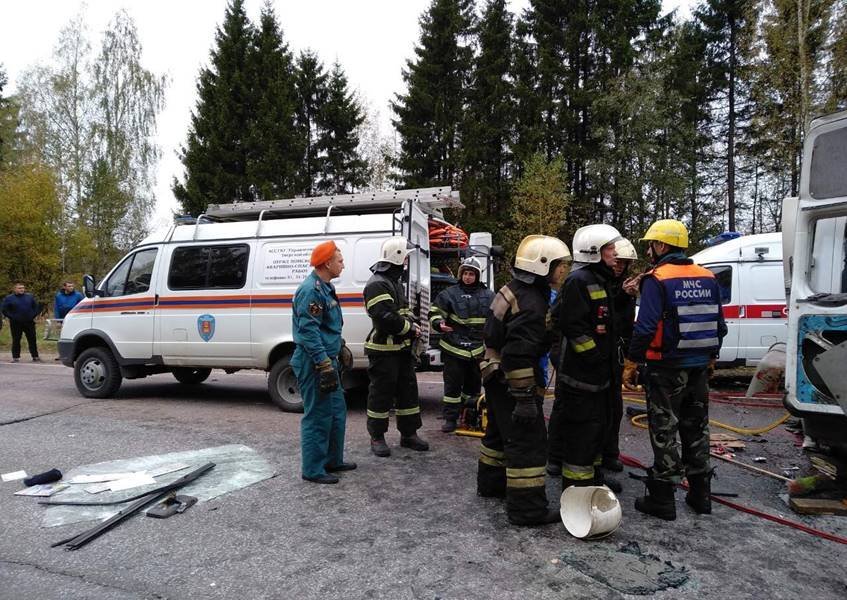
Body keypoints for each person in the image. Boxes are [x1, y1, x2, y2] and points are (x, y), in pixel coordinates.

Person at [624, 219, 727, 520]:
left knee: (664, 428)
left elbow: (645, 326)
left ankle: (663, 499)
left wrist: (632, 361)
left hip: (666, 368)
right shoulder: (707, 277)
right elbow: (719, 325)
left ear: (662, 245)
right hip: (698, 367)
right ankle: (700, 495)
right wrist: (710, 357)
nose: (649, 251)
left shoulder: (657, 279)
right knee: (697, 428)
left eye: (651, 244)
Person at [477, 235, 571, 526]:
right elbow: (519, 355)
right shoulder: (531, 303)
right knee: (527, 442)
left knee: (497, 433)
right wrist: (525, 399)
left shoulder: (515, 288)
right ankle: (527, 509)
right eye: (559, 265)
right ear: (543, 266)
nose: (563, 271)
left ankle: (492, 485)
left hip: (493, 374)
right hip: (512, 381)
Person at [548, 224, 623, 493]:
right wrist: (595, 358)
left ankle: (594, 476)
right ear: (594, 252)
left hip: (599, 374)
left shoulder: (601, 279)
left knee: (597, 428)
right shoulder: (579, 281)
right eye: (610, 248)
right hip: (582, 375)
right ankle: (578, 488)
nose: (615, 253)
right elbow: (574, 327)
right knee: (581, 432)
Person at [291, 241, 355, 484]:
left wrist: (339, 346)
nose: (343, 264)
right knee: (318, 415)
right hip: (314, 363)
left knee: (336, 412)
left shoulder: (325, 288)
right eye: (339, 260)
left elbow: (326, 327)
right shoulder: (311, 290)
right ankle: (313, 469)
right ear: (327, 263)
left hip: (328, 360)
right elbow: (308, 332)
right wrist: (323, 363)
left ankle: (332, 460)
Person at [363, 236, 429, 457]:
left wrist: (413, 322)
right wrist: (409, 328)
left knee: (408, 392)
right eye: (406, 258)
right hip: (383, 351)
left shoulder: (394, 281)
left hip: (401, 350)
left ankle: (409, 434)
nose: (408, 262)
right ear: (397, 257)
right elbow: (383, 317)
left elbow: (400, 311)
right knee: (381, 394)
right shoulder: (377, 283)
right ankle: (377, 437)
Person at [429, 257, 494, 432]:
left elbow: (496, 318)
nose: (467, 277)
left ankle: (469, 416)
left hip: (477, 349)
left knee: (473, 386)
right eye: (465, 273)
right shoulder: (449, 293)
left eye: (471, 274)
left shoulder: (489, 296)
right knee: (452, 386)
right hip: (453, 347)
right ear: (460, 274)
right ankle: (450, 418)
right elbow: (435, 311)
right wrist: (438, 323)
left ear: (478, 276)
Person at [602, 238, 639, 473]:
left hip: (617, 353)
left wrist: (631, 356)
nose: (619, 266)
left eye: (623, 263)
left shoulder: (627, 286)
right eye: (617, 261)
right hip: (598, 354)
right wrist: (623, 295)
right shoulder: (597, 282)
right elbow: (606, 316)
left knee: (615, 409)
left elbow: (626, 324)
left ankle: (610, 454)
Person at [2, 283, 41, 363]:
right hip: (16, 323)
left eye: (23, 288)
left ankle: (35, 356)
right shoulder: (9, 298)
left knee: (32, 339)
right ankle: (15, 357)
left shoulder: (29, 297)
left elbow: (36, 307)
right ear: (15, 289)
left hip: (29, 322)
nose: (22, 289)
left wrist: (32, 315)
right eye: (19, 288)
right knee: (16, 340)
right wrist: (12, 317)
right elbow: (5, 310)